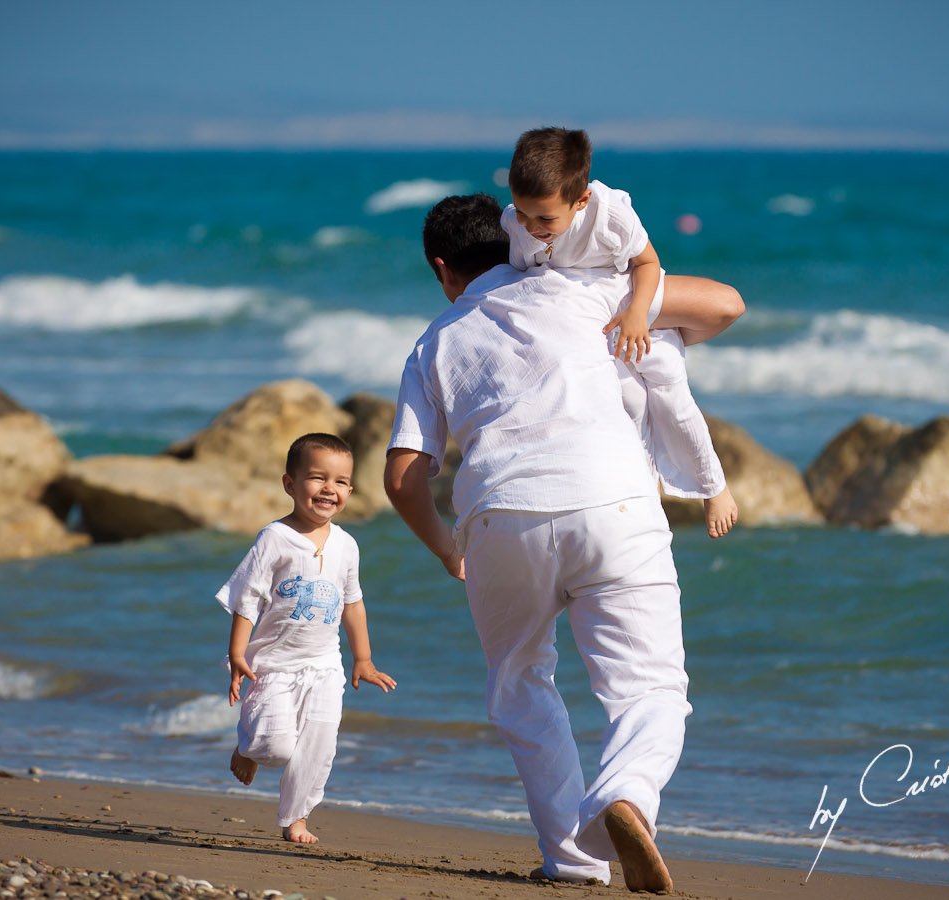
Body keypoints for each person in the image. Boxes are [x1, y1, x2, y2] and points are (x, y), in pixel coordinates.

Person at [384, 194, 743, 891]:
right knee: (650, 688)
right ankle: (626, 793)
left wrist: (445, 548)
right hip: (617, 505)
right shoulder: (587, 289)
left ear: (442, 269)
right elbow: (725, 304)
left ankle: (573, 862)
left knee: (520, 685)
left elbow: (402, 478)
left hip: (498, 517)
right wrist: (638, 304)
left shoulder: (435, 339)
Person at [504, 126, 737, 537]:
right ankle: (646, 497)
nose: (531, 225)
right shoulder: (517, 226)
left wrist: (637, 313)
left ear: (581, 200)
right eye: (523, 213)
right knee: (629, 405)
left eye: (545, 218)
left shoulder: (608, 213)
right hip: (594, 324)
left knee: (672, 397)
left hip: (636, 312)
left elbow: (647, 263)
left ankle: (713, 487)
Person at [217, 432, 396, 845]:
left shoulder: (347, 546)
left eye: (340, 482)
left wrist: (362, 659)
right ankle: (247, 748)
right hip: (274, 664)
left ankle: (295, 818)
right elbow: (248, 598)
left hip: (324, 666)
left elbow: (353, 603)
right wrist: (237, 652)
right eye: (317, 478)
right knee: (275, 747)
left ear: (351, 490)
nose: (329, 489)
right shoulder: (274, 539)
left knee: (319, 744)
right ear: (290, 484)